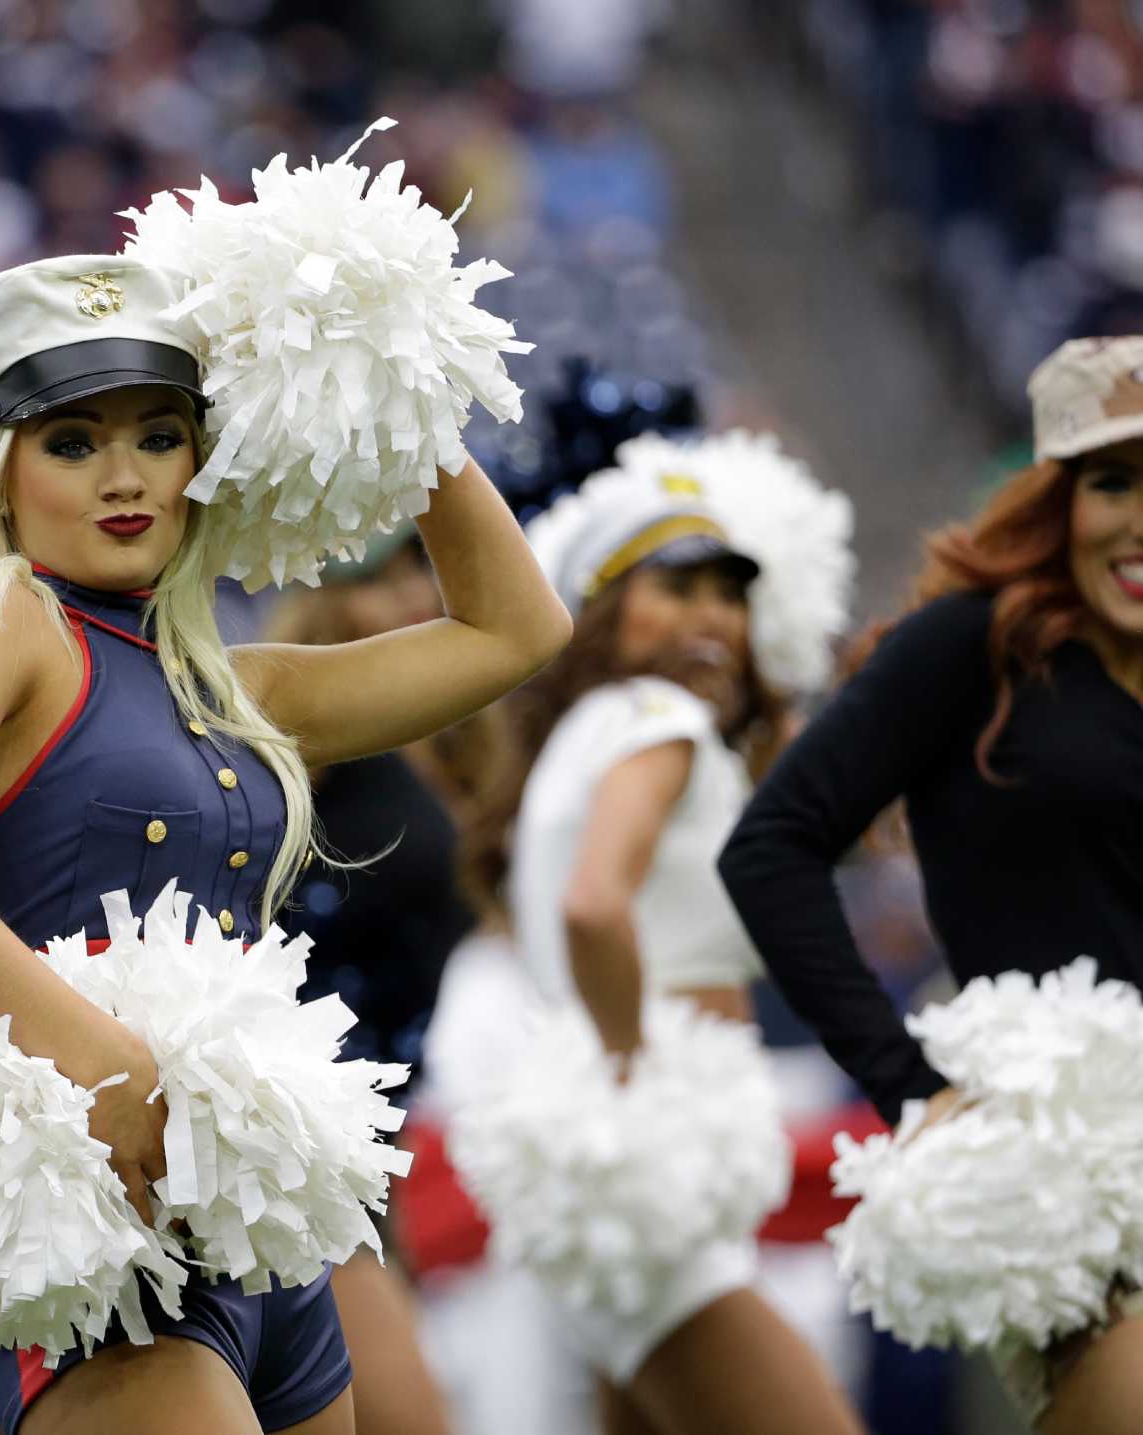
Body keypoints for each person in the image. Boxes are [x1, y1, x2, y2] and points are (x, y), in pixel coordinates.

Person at [0, 252, 570, 1435]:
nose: (123, 477)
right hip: (95, 1220)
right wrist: (112, 1073)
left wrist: (388, 392)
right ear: (1, 476)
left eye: (159, 436)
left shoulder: (235, 684)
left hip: (256, 1223)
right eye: (71, 443)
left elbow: (514, 628)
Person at [719, 336, 1143, 1433]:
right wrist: (911, 1084)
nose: (1138, 519)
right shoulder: (972, 646)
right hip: (1065, 1167)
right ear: (1052, 499)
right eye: (1111, 481)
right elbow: (769, 847)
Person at [458, 456, 864, 1435]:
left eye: (728, 591)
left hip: (621, 1187)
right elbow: (594, 907)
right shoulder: (658, 718)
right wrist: (632, 1067)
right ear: (602, 611)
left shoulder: (579, 737)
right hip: (649, 1173)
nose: (711, 615)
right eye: (674, 587)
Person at [266, 530, 469, 1435]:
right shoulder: (295, 732)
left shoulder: (464, 738)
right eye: (378, 577)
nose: (407, 597)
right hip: (310, 1142)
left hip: (421, 1131)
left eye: (417, 571)